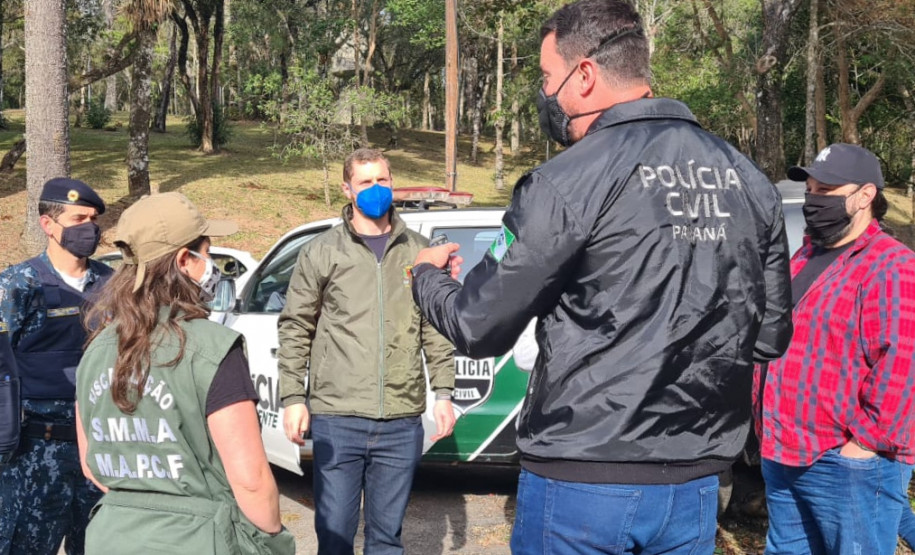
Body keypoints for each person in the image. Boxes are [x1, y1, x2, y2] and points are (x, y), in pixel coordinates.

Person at [409, 1, 793, 553]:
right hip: (697, 477)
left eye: (547, 78)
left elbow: (477, 323)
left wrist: (427, 278)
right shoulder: (747, 179)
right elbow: (771, 333)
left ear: (583, 75)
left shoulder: (566, 182)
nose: (545, 95)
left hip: (583, 477)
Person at [74, 192, 294, 554]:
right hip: (199, 539)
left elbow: (91, 465)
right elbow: (251, 480)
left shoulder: (96, 348)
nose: (211, 266)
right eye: (206, 254)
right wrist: (273, 541)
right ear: (184, 260)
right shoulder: (213, 347)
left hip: (112, 538)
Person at [278, 148, 456, 555]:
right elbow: (296, 326)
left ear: (393, 183)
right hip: (338, 418)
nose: (376, 189)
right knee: (335, 537)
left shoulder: (421, 251)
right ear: (347, 188)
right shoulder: (322, 251)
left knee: (386, 540)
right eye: (365, 182)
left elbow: (436, 326)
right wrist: (293, 397)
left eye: (382, 180)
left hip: (400, 419)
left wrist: (443, 393)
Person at [755, 143, 915, 554]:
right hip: (783, 449)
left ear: (865, 196)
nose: (813, 200)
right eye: (810, 188)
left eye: (826, 189)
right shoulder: (805, 255)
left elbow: (904, 363)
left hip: (844, 462)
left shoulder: (891, 265)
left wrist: (863, 445)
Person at [0, 177, 112, 555]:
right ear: (49, 225)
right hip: (35, 456)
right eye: (79, 218)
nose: (90, 228)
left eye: (93, 220)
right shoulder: (18, 286)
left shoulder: (112, 285)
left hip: (99, 454)